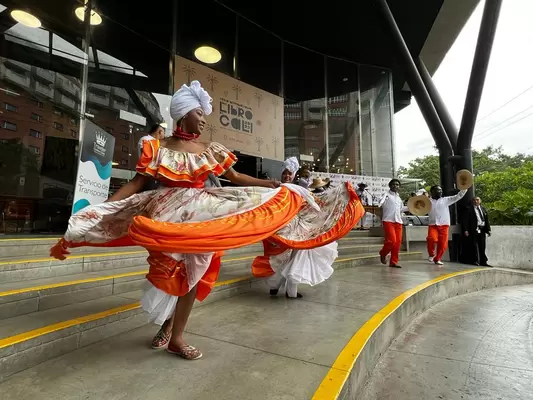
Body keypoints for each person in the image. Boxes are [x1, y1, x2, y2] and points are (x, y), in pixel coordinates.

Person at [50, 81, 364, 360]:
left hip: (204, 216)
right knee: (172, 273)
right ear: (184, 113)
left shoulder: (209, 150)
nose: (203, 120)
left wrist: (270, 185)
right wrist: (101, 209)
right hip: (167, 216)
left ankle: (176, 336)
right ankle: (168, 326)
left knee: (194, 273)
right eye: (200, 114)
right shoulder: (155, 147)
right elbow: (136, 184)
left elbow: (236, 176)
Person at [266, 158, 338, 299]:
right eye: (285, 173)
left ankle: (278, 286)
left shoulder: (298, 190)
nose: (287, 176)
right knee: (293, 256)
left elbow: (312, 204)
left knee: (297, 256)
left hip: (298, 227)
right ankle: (281, 287)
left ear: (294, 175)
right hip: (284, 228)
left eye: (290, 174)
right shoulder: (276, 188)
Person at [427, 185, 467, 265]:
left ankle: (437, 259)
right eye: (438, 190)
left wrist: (464, 187)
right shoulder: (427, 201)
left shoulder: (446, 200)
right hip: (433, 224)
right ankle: (431, 254)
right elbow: (416, 206)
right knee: (431, 238)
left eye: (441, 190)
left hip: (444, 225)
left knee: (443, 244)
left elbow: (458, 196)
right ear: (432, 192)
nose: (440, 192)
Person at [378, 179, 408, 268]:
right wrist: (381, 202)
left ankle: (393, 262)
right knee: (391, 240)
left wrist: (411, 206)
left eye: (397, 185)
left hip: (398, 221)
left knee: (397, 242)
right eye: (393, 184)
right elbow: (380, 203)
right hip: (388, 220)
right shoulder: (386, 195)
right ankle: (383, 253)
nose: (395, 186)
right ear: (390, 186)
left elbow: (401, 209)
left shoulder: (398, 198)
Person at [461, 197, 491, 266]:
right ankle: (475, 260)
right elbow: (465, 220)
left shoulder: (483, 209)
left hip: (482, 229)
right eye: (474, 200)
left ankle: (483, 261)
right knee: (473, 246)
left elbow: (486, 220)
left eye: (477, 200)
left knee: (482, 246)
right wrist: (465, 230)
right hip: (473, 230)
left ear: (480, 201)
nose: (476, 201)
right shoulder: (469, 209)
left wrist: (488, 230)